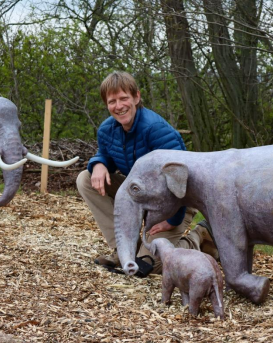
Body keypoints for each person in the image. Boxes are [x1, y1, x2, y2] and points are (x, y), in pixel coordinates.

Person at [76, 71, 218, 274]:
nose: (119, 106)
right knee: (86, 179)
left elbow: (181, 179)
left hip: (177, 201)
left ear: (136, 97)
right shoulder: (107, 130)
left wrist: (171, 220)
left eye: (124, 98)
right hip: (142, 195)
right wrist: (98, 163)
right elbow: (106, 153)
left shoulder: (156, 129)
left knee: (156, 264)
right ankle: (124, 248)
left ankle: (200, 238)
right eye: (112, 101)